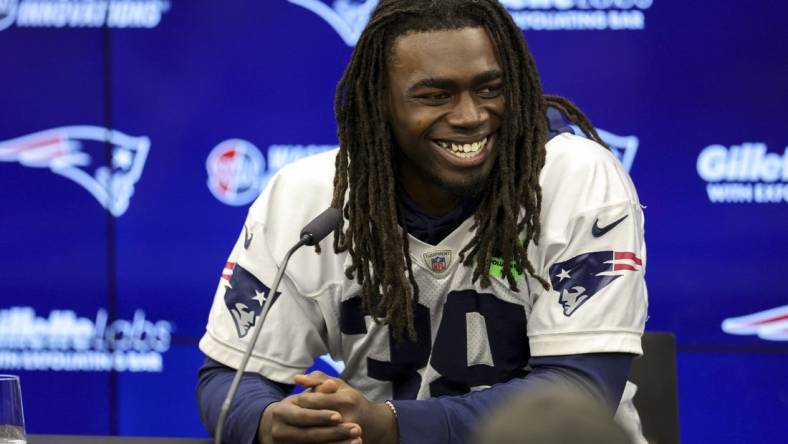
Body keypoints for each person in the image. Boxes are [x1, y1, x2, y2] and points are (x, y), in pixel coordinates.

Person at [197, 1, 648, 443]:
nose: (471, 116)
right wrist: (271, 421)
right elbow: (231, 377)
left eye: (490, 89)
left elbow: (579, 392)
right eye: (436, 96)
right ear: (381, 104)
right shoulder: (309, 196)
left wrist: (391, 425)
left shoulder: (575, 178)